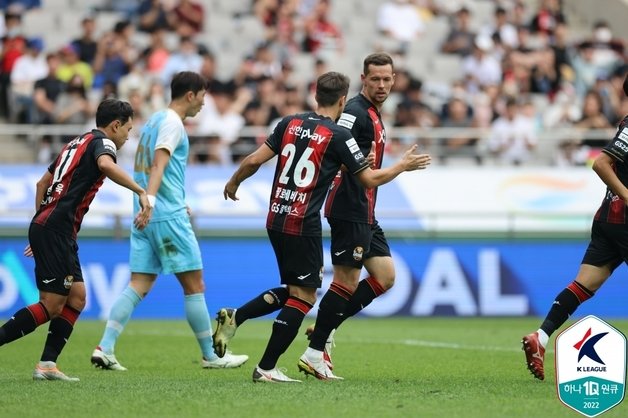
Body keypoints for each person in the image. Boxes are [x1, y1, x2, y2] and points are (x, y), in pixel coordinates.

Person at [213, 71, 431, 383]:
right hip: (303, 222)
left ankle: (238, 317)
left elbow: (252, 160)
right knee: (303, 298)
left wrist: (234, 181)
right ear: (343, 100)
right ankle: (267, 367)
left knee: (295, 290)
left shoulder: (289, 122)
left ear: (316, 95)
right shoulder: (338, 136)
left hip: (276, 216)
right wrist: (402, 166)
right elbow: (368, 179)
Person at [91, 71, 249, 371]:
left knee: (139, 283)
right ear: (190, 95)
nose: (204, 103)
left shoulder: (153, 120)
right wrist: (152, 202)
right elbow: (158, 163)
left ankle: (105, 347)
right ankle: (211, 356)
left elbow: (156, 167)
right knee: (194, 284)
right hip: (162, 213)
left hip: (146, 213)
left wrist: (153, 202)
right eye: (202, 96)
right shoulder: (173, 124)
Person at [0, 99, 152, 381]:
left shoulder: (75, 142)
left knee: (77, 298)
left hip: (52, 227)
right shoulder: (103, 144)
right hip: (56, 229)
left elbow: (42, 184)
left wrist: (41, 222)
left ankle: (47, 364)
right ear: (115, 125)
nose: (128, 136)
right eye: (128, 129)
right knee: (52, 305)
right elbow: (105, 165)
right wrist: (140, 190)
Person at [303, 52, 414, 373]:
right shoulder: (354, 111)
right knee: (346, 281)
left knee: (385, 276)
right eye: (375, 79)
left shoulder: (374, 113)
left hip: (365, 208)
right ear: (363, 79)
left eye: (387, 79)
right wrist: (357, 159)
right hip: (349, 206)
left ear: (394, 79)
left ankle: (327, 328)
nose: (381, 84)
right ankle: (316, 350)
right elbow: (336, 136)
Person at [522, 73, 628, 381]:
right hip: (622, 220)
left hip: (608, 220)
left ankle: (540, 337)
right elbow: (601, 163)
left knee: (584, 285)